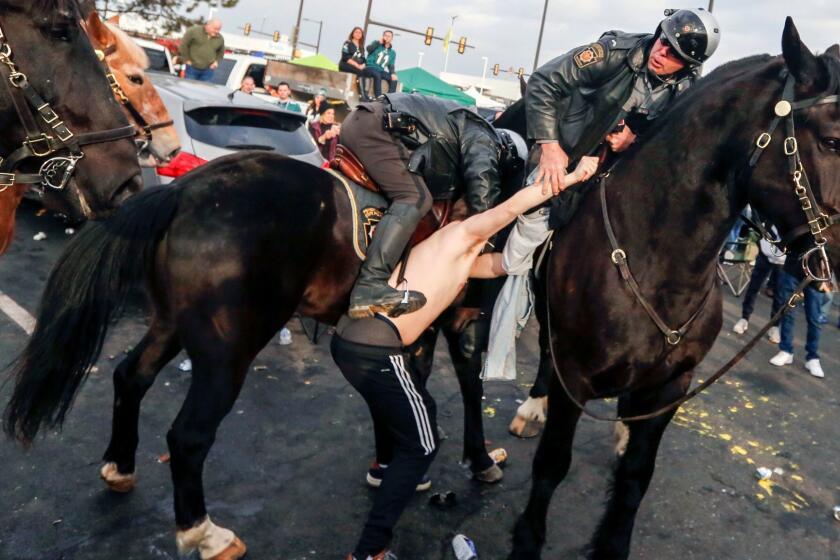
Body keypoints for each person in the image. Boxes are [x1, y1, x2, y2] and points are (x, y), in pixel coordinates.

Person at [333, 155, 600, 560]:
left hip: (357, 343)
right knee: (422, 444)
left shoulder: (460, 258)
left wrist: (539, 227)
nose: (494, 232)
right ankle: (369, 551)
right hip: (376, 347)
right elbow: (510, 208)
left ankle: (381, 469)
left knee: (420, 413)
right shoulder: (459, 235)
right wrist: (574, 178)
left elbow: (502, 265)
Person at [483, 8, 722, 380]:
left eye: (674, 54)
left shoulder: (687, 90)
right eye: (663, 41)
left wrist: (634, 138)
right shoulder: (613, 50)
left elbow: (672, 141)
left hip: (613, 168)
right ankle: (487, 285)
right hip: (564, 149)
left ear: (688, 66)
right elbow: (545, 81)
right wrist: (549, 145)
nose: (661, 52)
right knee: (531, 220)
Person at [340, 92, 516, 319]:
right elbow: (482, 193)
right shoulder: (485, 137)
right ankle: (370, 284)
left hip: (368, 122)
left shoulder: (466, 123)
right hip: (377, 129)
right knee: (414, 198)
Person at [770, 254, 831, 378]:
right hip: (793, 269)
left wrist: (830, 278)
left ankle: (812, 357)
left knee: (814, 319)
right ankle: (786, 350)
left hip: (818, 274)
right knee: (788, 314)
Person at [733, 233, 785, 343]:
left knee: (779, 295)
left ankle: (774, 326)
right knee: (753, 288)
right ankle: (744, 318)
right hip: (765, 255)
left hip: (783, 260)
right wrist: (760, 243)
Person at [363, 30, 398, 99]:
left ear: (392, 39)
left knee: (393, 79)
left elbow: (391, 65)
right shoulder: (376, 44)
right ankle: (379, 97)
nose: (387, 37)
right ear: (383, 36)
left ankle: (389, 98)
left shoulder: (392, 52)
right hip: (370, 67)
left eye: (389, 36)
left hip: (380, 70)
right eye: (385, 35)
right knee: (377, 75)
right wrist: (379, 42)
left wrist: (393, 73)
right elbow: (369, 49)